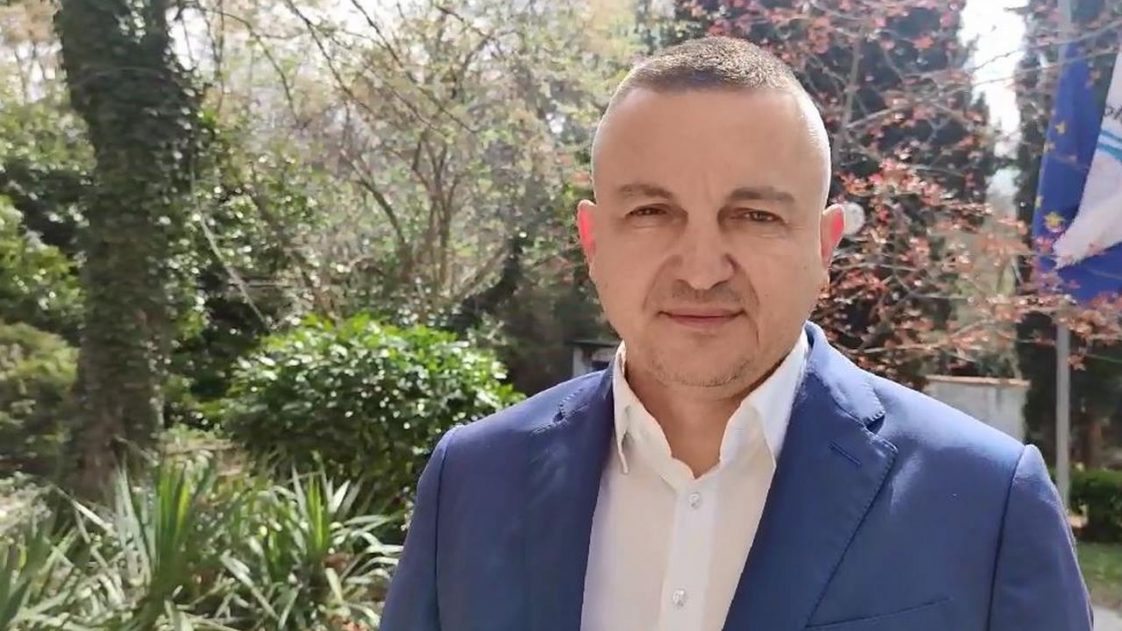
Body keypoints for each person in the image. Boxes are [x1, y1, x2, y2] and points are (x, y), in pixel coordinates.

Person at [381, 36, 1092, 631]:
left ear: (825, 247)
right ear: (593, 241)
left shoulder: (987, 502)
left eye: (755, 216)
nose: (701, 270)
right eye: (652, 211)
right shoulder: (472, 481)